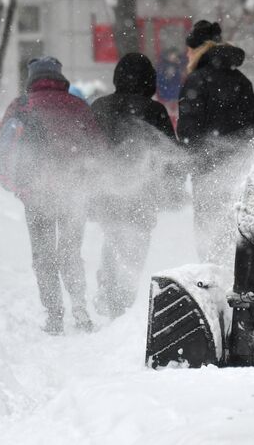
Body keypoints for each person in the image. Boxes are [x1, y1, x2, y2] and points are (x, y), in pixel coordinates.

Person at [0, 57, 103, 335]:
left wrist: (14, 185)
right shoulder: (79, 106)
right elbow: (97, 149)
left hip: (36, 194)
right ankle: (80, 308)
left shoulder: (20, 107)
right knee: (70, 252)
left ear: (31, 79)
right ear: (60, 77)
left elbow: (5, 148)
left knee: (44, 256)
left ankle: (55, 316)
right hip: (74, 193)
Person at [90, 52, 180, 318]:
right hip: (143, 193)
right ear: (149, 80)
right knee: (137, 243)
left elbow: (86, 148)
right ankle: (126, 299)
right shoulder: (153, 110)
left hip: (105, 191)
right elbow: (169, 156)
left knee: (112, 236)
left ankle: (108, 288)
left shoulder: (99, 106)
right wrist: (172, 189)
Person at [176, 20, 254, 261]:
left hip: (208, 173)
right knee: (235, 233)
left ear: (196, 49)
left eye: (188, 49)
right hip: (240, 172)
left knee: (209, 237)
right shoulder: (241, 80)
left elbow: (188, 132)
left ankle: (211, 285)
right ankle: (236, 286)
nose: (186, 54)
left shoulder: (197, 81)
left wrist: (187, 162)